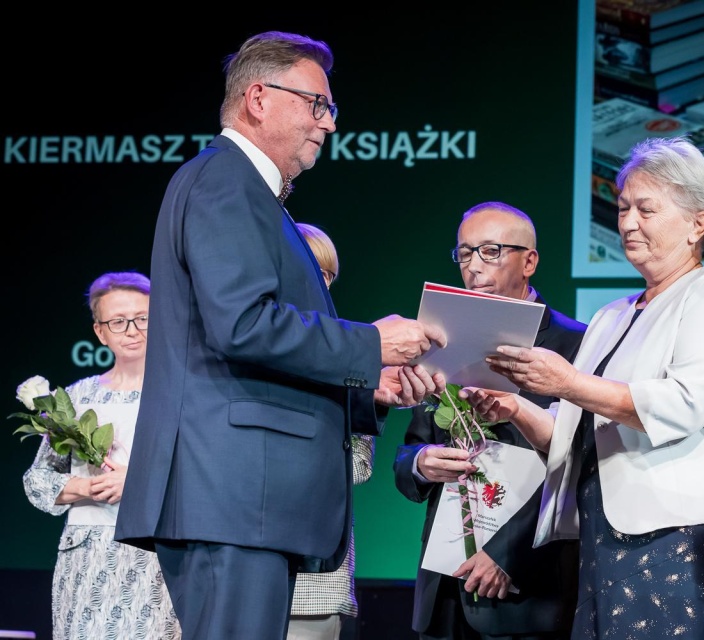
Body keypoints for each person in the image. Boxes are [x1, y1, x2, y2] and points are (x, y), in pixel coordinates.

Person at [113, 31, 445, 640]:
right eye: (315, 104)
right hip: (234, 495)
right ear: (258, 98)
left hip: (247, 499)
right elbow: (241, 325)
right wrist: (370, 346)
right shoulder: (226, 181)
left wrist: (369, 387)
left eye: (330, 108)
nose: (328, 124)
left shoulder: (253, 194)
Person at [463, 138, 704, 639]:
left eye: (646, 209)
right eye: (623, 207)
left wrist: (568, 382)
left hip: (684, 533)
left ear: (697, 224)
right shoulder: (610, 316)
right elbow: (572, 437)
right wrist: (514, 405)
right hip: (604, 535)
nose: (627, 222)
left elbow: (685, 404)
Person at [394, 202, 586, 640]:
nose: (474, 267)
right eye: (465, 254)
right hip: (445, 592)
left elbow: (579, 466)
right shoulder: (439, 337)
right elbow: (406, 461)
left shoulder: (576, 344)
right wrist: (421, 463)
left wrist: (506, 554)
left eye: (491, 251)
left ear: (529, 261)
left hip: (527, 592)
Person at [23, 272, 181, 640]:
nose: (132, 330)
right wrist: (88, 486)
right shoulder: (77, 397)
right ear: (100, 332)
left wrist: (139, 481)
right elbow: (38, 481)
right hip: (86, 559)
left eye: (143, 318)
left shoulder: (182, 396)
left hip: (154, 557)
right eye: (118, 321)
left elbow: (206, 477)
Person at [288, 223, 373, 640]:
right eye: (307, 267)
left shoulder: (351, 356)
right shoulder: (235, 348)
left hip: (314, 580)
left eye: (327, 274)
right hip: (237, 569)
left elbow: (358, 466)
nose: (318, 283)